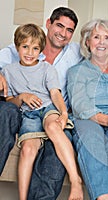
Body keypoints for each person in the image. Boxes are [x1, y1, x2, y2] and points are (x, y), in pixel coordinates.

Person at [0, 7, 82, 199]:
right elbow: (11, 98)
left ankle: (75, 182)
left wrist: (63, 114)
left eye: (69, 30)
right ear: (48, 24)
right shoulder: (11, 63)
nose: (63, 33)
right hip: (26, 112)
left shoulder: (70, 55)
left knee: (54, 132)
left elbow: (55, 93)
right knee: (28, 148)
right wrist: (21, 96)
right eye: (59, 26)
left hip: (50, 108)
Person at [67, 18, 108, 200]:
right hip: (88, 118)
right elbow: (79, 105)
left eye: (107, 37)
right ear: (87, 42)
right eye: (96, 37)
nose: (102, 42)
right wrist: (107, 119)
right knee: (91, 139)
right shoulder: (77, 71)